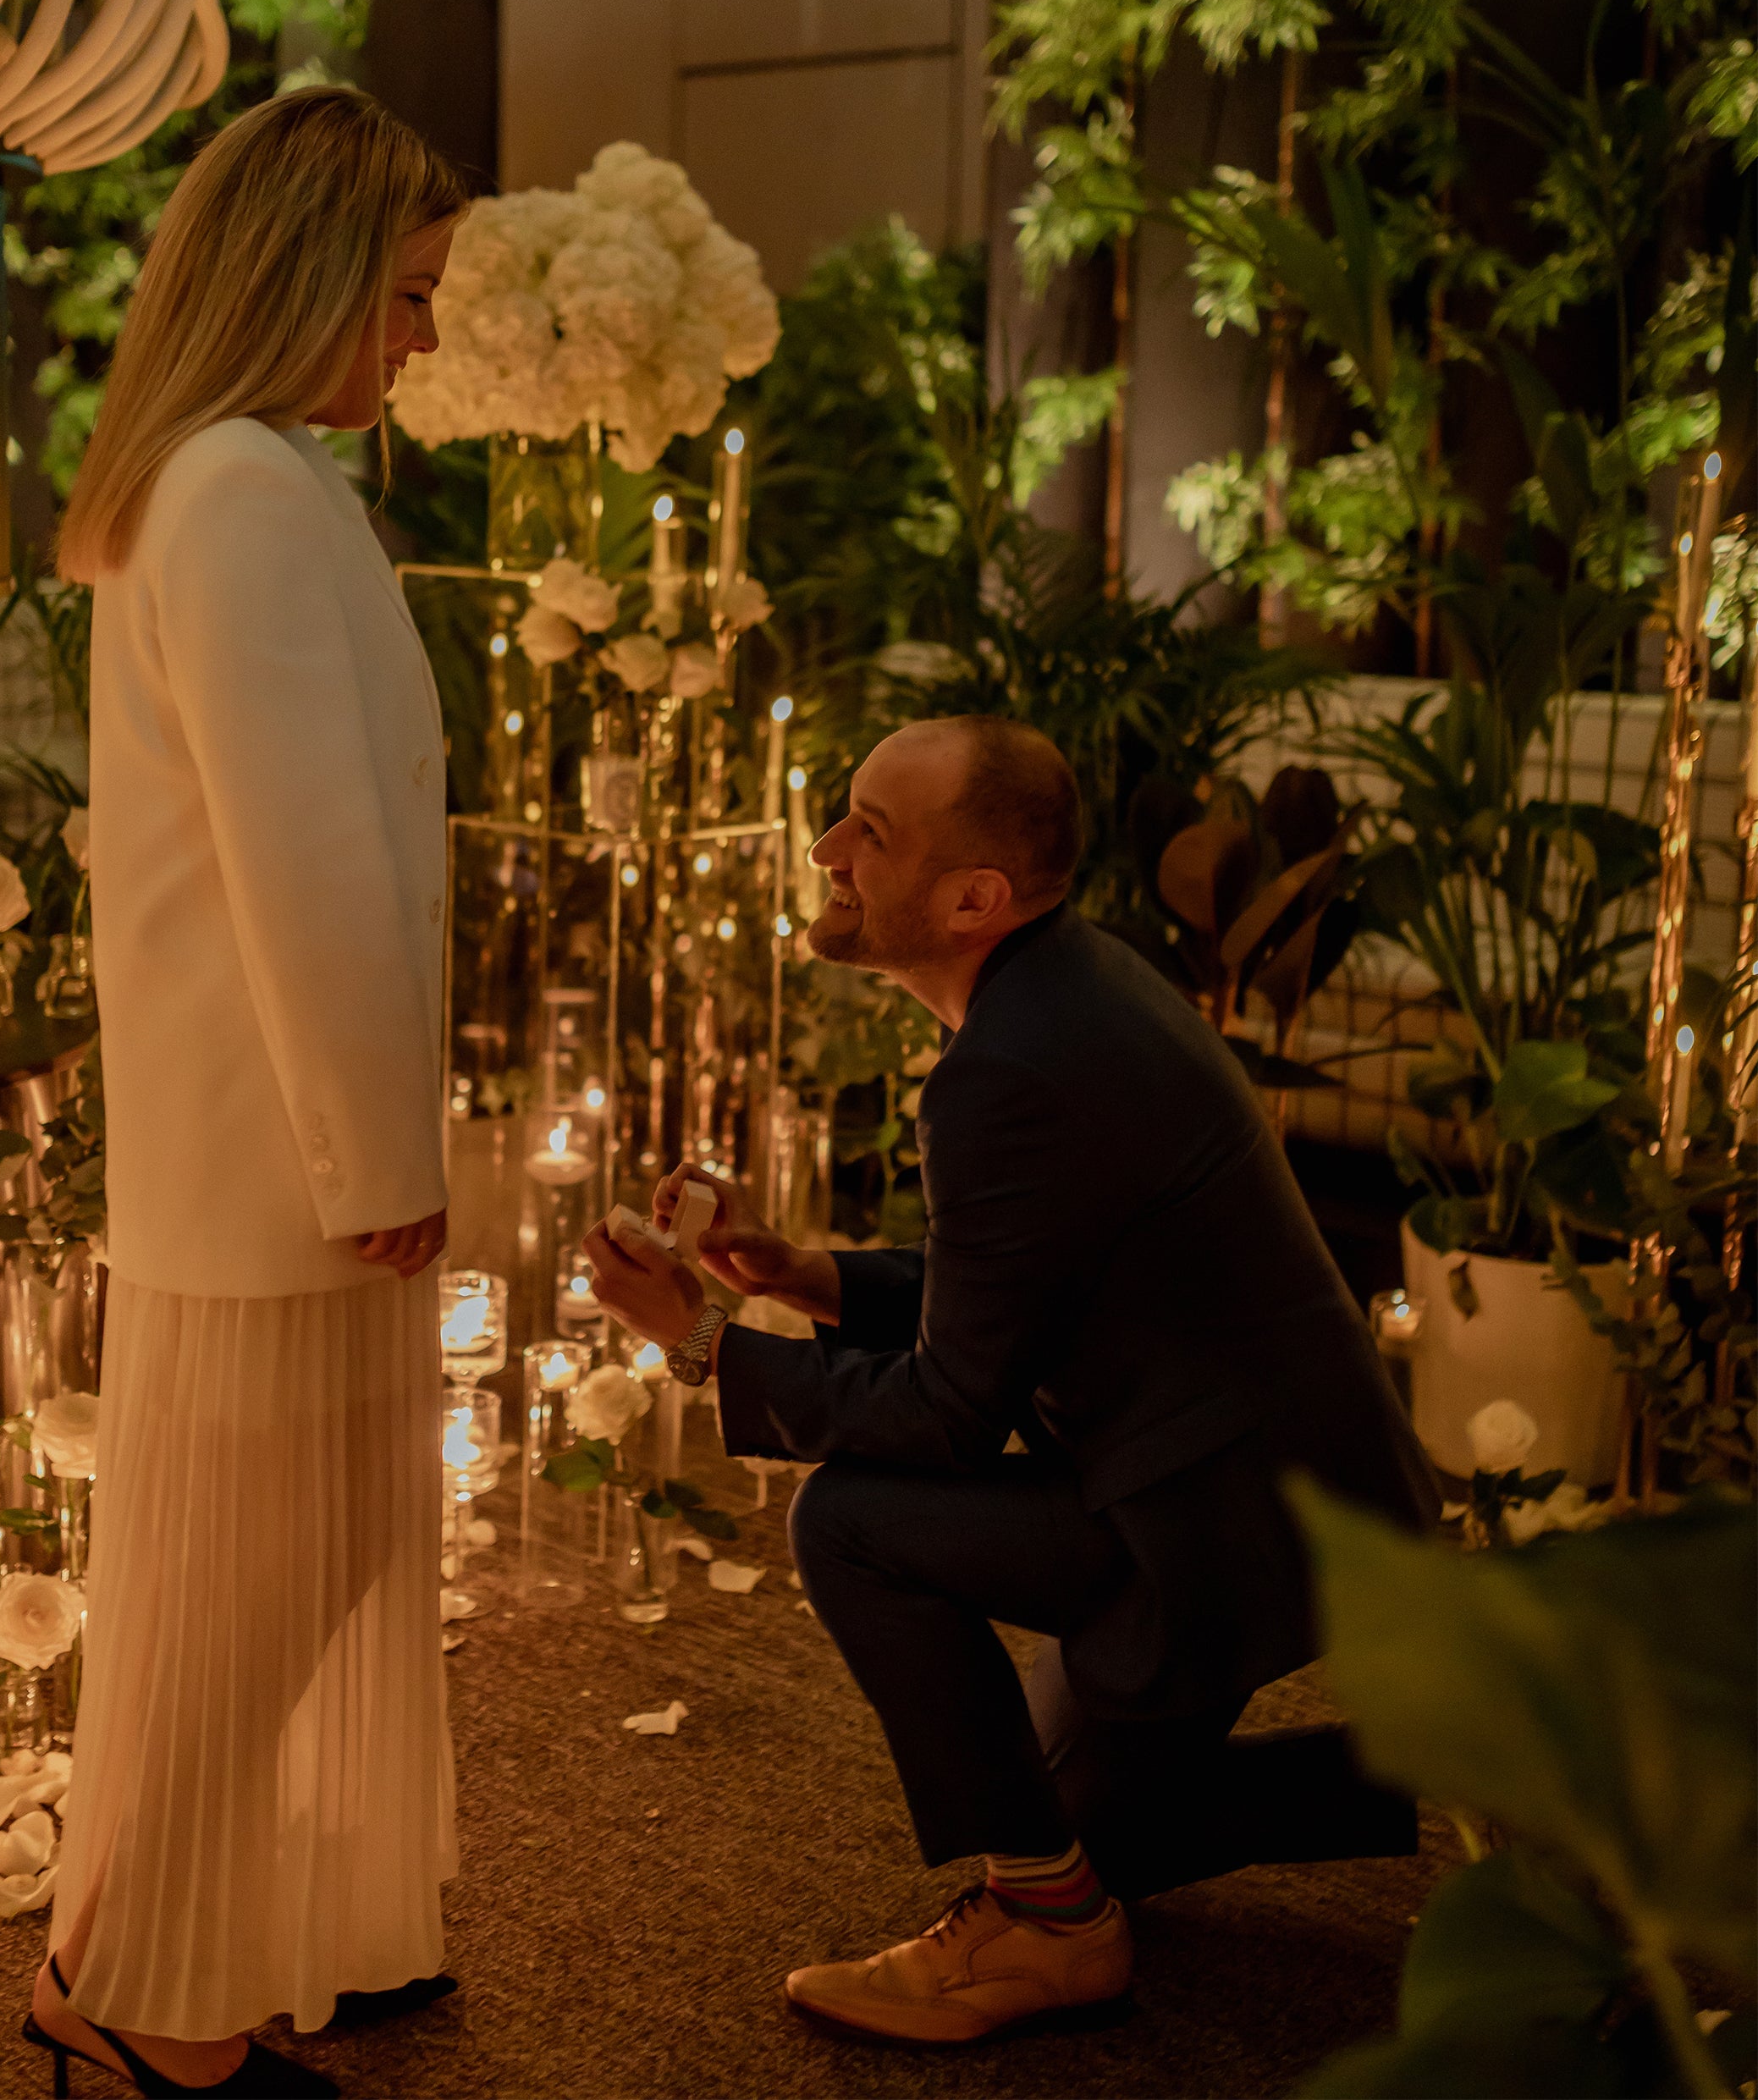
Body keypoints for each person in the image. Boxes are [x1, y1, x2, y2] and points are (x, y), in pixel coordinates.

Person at [580, 714, 1439, 2048]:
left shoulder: (1012, 1066)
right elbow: (1025, 1277)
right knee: (1065, 1812)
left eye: (871, 831)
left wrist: (696, 1343)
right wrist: (806, 1275)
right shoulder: (1065, 986)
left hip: (1216, 1523)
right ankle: (1406, 1784)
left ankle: (1050, 1932)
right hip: (1262, 1481)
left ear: (974, 896)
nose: (828, 848)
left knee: (850, 1522)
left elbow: (946, 1415)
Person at [32, 90, 468, 2097]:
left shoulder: (252, 478)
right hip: (282, 1153)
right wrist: (376, 1148)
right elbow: (305, 862)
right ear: (303, 274)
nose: (422, 341)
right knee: (263, 1573)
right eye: (402, 295)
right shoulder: (233, 491)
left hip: (271, 1140)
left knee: (297, 1556)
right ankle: (134, 1989)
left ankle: (197, 1930)